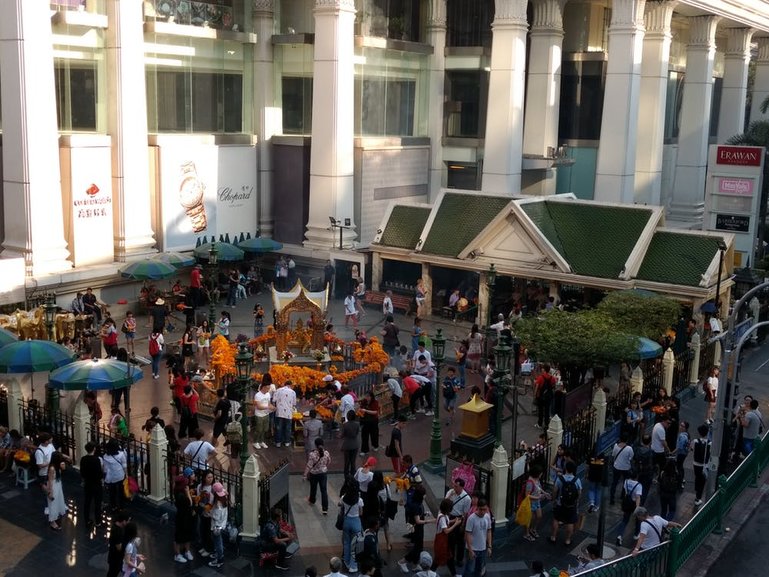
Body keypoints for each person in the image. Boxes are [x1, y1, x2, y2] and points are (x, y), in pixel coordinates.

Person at [549, 460, 581, 546]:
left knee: (556, 519)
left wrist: (554, 499)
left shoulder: (560, 479)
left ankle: (553, 537)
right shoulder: (577, 480)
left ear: (565, 469)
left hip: (560, 503)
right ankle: (567, 540)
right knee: (570, 522)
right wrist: (576, 502)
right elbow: (579, 493)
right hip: (571, 505)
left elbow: (555, 491)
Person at [445, 478, 472, 575]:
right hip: (450, 516)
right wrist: (449, 496)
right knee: (450, 540)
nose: (454, 487)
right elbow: (445, 503)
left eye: (456, 486)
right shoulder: (450, 492)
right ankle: (450, 557)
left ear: (461, 486)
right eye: (454, 485)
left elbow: (465, 513)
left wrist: (462, 525)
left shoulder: (466, 498)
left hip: (459, 519)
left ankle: (459, 559)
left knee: (460, 541)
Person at [338, 480, 364, 573]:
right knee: (355, 545)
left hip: (346, 522)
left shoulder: (344, 497)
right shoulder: (359, 500)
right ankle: (353, 566)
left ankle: (346, 561)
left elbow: (340, 505)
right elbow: (361, 513)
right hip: (356, 522)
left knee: (346, 543)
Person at [463, 497, 492, 577]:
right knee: (468, 569)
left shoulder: (487, 517)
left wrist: (489, 546)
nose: (482, 512)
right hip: (472, 549)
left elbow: (489, 531)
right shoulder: (471, 518)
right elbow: (467, 534)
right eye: (481, 509)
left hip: (482, 548)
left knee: (479, 569)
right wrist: (470, 549)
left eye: (484, 509)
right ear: (477, 508)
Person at [615, 469, 642, 546]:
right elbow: (638, 497)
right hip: (633, 504)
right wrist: (637, 508)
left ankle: (619, 536)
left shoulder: (626, 481)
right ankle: (636, 534)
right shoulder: (638, 485)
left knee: (624, 520)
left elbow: (625, 492)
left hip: (626, 502)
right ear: (636, 476)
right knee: (637, 520)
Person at [434, 498, 462, 572]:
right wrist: (455, 524)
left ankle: (454, 573)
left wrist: (454, 520)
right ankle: (431, 572)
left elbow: (447, 522)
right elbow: (446, 531)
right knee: (439, 558)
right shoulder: (442, 517)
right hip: (441, 540)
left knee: (448, 557)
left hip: (444, 540)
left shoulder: (443, 515)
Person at [304, 437, 331, 514]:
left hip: (314, 474)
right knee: (324, 490)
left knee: (313, 488)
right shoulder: (326, 453)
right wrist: (324, 467)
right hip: (323, 473)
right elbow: (329, 461)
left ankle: (312, 500)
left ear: (315, 445)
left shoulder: (312, 454)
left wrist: (305, 475)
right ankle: (325, 508)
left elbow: (309, 465)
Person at [80, 441, 103, 527]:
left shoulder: (83, 459)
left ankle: (87, 520)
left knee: (87, 502)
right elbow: (99, 473)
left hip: (88, 484)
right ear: (94, 449)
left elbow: (82, 472)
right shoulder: (96, 460)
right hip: (96, 484)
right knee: (97, 503)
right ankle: (98, 522)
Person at [173, 474, 196, 563]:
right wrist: (187, 494)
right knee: (179, 536)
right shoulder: (181, 496)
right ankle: (177, 554)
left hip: (185, 517)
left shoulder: (177, 492)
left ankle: (187, 551)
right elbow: (190, 503)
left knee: (187, 534)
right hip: (182, 518)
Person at [522, 466, 549, 541]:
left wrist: (544, 493)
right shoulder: (530, 483)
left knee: (539, 516)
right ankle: (526, 534)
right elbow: (527, 495)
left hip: (536, 502)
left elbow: (539, 488)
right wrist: (538, 497)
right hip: (531, 503)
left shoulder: (537, 480)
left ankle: (533, 529)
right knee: (530, 519)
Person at [103, 439, 127, 512]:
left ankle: (113, 506)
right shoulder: (121, 454)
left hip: (111, 477)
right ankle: (121, 506)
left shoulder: (105, 456)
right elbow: (124, 465)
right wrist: (126, 474)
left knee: (112, 492)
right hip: (120, 475)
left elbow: (105, 469)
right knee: (121, 492)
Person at [208, 482, 229, 568]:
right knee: (218, 541)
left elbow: (216, 517)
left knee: (218, 542)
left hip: (217, 526)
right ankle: (218, 554)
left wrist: (209, 513)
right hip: (222, 524)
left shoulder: (218, 506)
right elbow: (222, 490)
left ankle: (219, 559)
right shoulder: (224, 498)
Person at [46, 451, 68, 530]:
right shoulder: (52, 468)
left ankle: (56, 516)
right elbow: (50, 481)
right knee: (53, 503)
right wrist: (50, 492)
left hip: (58, 484)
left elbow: (64, 469)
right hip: (54, 486)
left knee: (58, 500)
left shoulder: (57, 466)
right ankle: (52, 521)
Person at [107, 511, 132, 577]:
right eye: (128, 520)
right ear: (124, 521)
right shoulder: (118, 532)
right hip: (115, 559)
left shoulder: (116, 526)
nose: (129, 522)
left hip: (114, 557)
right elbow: (119, 548)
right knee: (113, 573)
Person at [609, 436, 634, 505]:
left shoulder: (616, 446)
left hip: (617, 467)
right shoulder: (629, 448)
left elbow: (613, 455)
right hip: (626, 468)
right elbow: (631, 457)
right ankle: (622, 496)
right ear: (627, 440)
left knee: (614, 482)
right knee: (625, 482)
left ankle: (612, 498)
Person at [273, 380, 297, 448]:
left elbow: (273, 400)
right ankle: (287, 442)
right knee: (288, 428)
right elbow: (294, 403)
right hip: (288, 413)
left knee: (278, 427)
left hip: (279, 412)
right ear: (290, 385)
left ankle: (278, 442)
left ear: (285, 384)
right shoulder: (293, 392)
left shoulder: (278, 390)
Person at [692, 424, 711, 506]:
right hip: (704, 465)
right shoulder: (710, 443)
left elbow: (692, 449)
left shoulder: (695, 441)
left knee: (697, 477)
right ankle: (698, 497)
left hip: (696, 464)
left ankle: (696, 491)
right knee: (702, 481)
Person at [534, 365, 556, 429]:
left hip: (541, 396)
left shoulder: (540, 377)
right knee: (547, 411)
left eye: (542, 368)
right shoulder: (552, 378)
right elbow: (553, 386)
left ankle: (539, 424)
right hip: (548, 396)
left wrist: (535, 395)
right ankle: (546, 424)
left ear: (544, 369)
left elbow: (537, 387)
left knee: (540, 411)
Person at [253, 380, 273, 449]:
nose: (269, 389)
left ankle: (261, 441)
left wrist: (272, 408)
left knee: (265, 429)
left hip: (266, 414)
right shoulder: (257, 395)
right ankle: (255, 442)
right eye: (268, 388)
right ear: (263, 387)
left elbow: (269, 403)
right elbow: (258, 407)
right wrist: (268, 407)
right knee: (258, 429)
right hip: (259, 415)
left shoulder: (268, 394)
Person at [359, 390, 380, 455]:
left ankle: (375, 445)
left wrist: (366, 410)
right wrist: (360, 411)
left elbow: (375, 412)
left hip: (373, 421)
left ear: (371, 397)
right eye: (366, 396)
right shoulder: (363, 401)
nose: (366, 397)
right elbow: (360, 408)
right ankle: (365, 450)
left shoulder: (375, 402)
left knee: (374, 434)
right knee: (364, 435)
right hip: (365, 421)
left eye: (368, 396)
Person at [341, 410, 360, 479]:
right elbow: (357, 432)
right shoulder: (357, 424)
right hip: (355, 444)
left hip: (347, 445)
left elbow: (343, 435)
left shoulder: (345, 425)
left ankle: (346, 477)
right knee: (353, 462)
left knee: (347, 462)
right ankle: (353, 477)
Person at [675, 420, 691, 488]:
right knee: (680, 466)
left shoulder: (682, 436)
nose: (680, 427)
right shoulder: (686, 435)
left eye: (682, 426)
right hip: (684, 453)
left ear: (685, 428)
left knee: (679, 467)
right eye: (680, 425)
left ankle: (680, 481)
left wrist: (672, 452)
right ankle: (681, 479)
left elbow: (679, 447)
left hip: (681, 453)